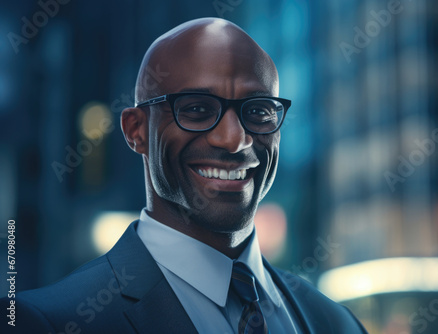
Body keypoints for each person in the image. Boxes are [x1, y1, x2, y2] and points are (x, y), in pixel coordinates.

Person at [1, 18, 367, 334]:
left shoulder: (337, 323)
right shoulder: (43, 322)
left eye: (258, 110)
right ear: (136, 131)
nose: (234, 139)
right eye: (195, 109)